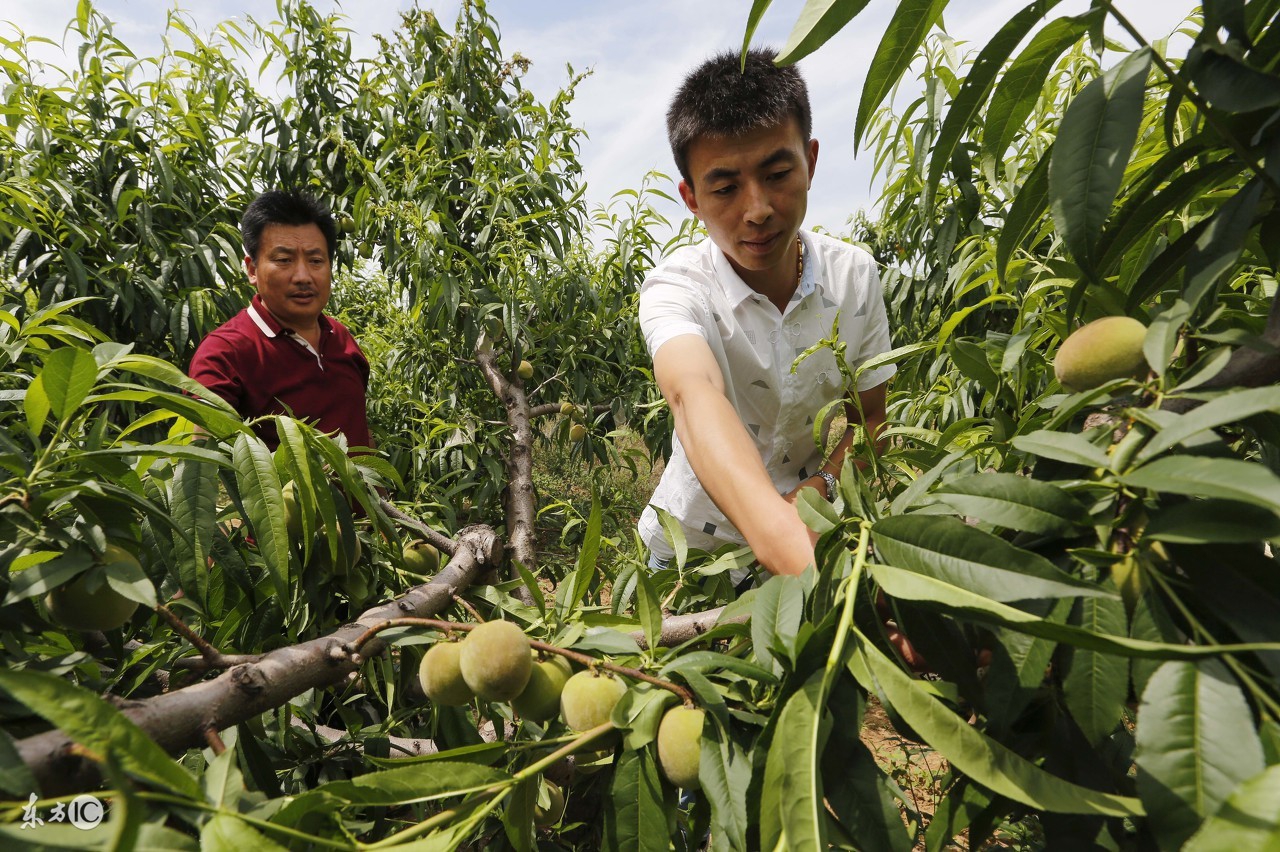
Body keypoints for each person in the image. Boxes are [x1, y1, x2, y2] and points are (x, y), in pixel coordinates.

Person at [637, 47, 895, 578]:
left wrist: (819, 490)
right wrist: (781, 537)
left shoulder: (853, 278)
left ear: (812, 161)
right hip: (687, 556)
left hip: (813, 533)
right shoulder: (676, 289)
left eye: (777, 174)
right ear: (690, 197)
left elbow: (868, 419)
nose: (757, 210)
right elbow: (692, 395)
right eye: (726, 188)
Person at [188, 190, 372, 452]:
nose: (302, 276)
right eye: (284, 260)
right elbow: (203, 462)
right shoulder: (224, 353)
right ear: (252, 270)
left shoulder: (340, 336)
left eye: (316, 260)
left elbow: (358, 428)